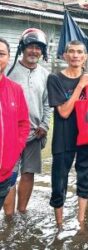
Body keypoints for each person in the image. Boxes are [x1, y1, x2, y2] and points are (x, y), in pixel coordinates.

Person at [47, 40, 88, 226]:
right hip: (64, 138)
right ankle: (59, 226)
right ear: (65, 56)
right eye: (71, 51)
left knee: (85, 181)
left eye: (79, 52)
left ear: (85, 56)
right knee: (58, 183)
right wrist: (79, 86)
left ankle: (81, 222)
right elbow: (64, 112)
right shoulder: (55, 79)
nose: (75, 55)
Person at [3, 28, 51, 216]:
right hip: (10, 135)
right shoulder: (9, 70)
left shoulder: (45, 74)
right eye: (30, 47)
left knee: (28, 173)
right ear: (22, 48)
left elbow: (48, 103)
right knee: (8, 175)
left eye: (38, 48)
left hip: (35, 134)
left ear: (43, 52)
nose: (34, 51)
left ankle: (22, 211)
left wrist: (45, 125)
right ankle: (9, 217)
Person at [0, 37, 30, 211]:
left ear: (8, 58)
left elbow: (23, 124)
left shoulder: (15, 90)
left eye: (1, 54)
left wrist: (13, 152)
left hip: (3, 173)